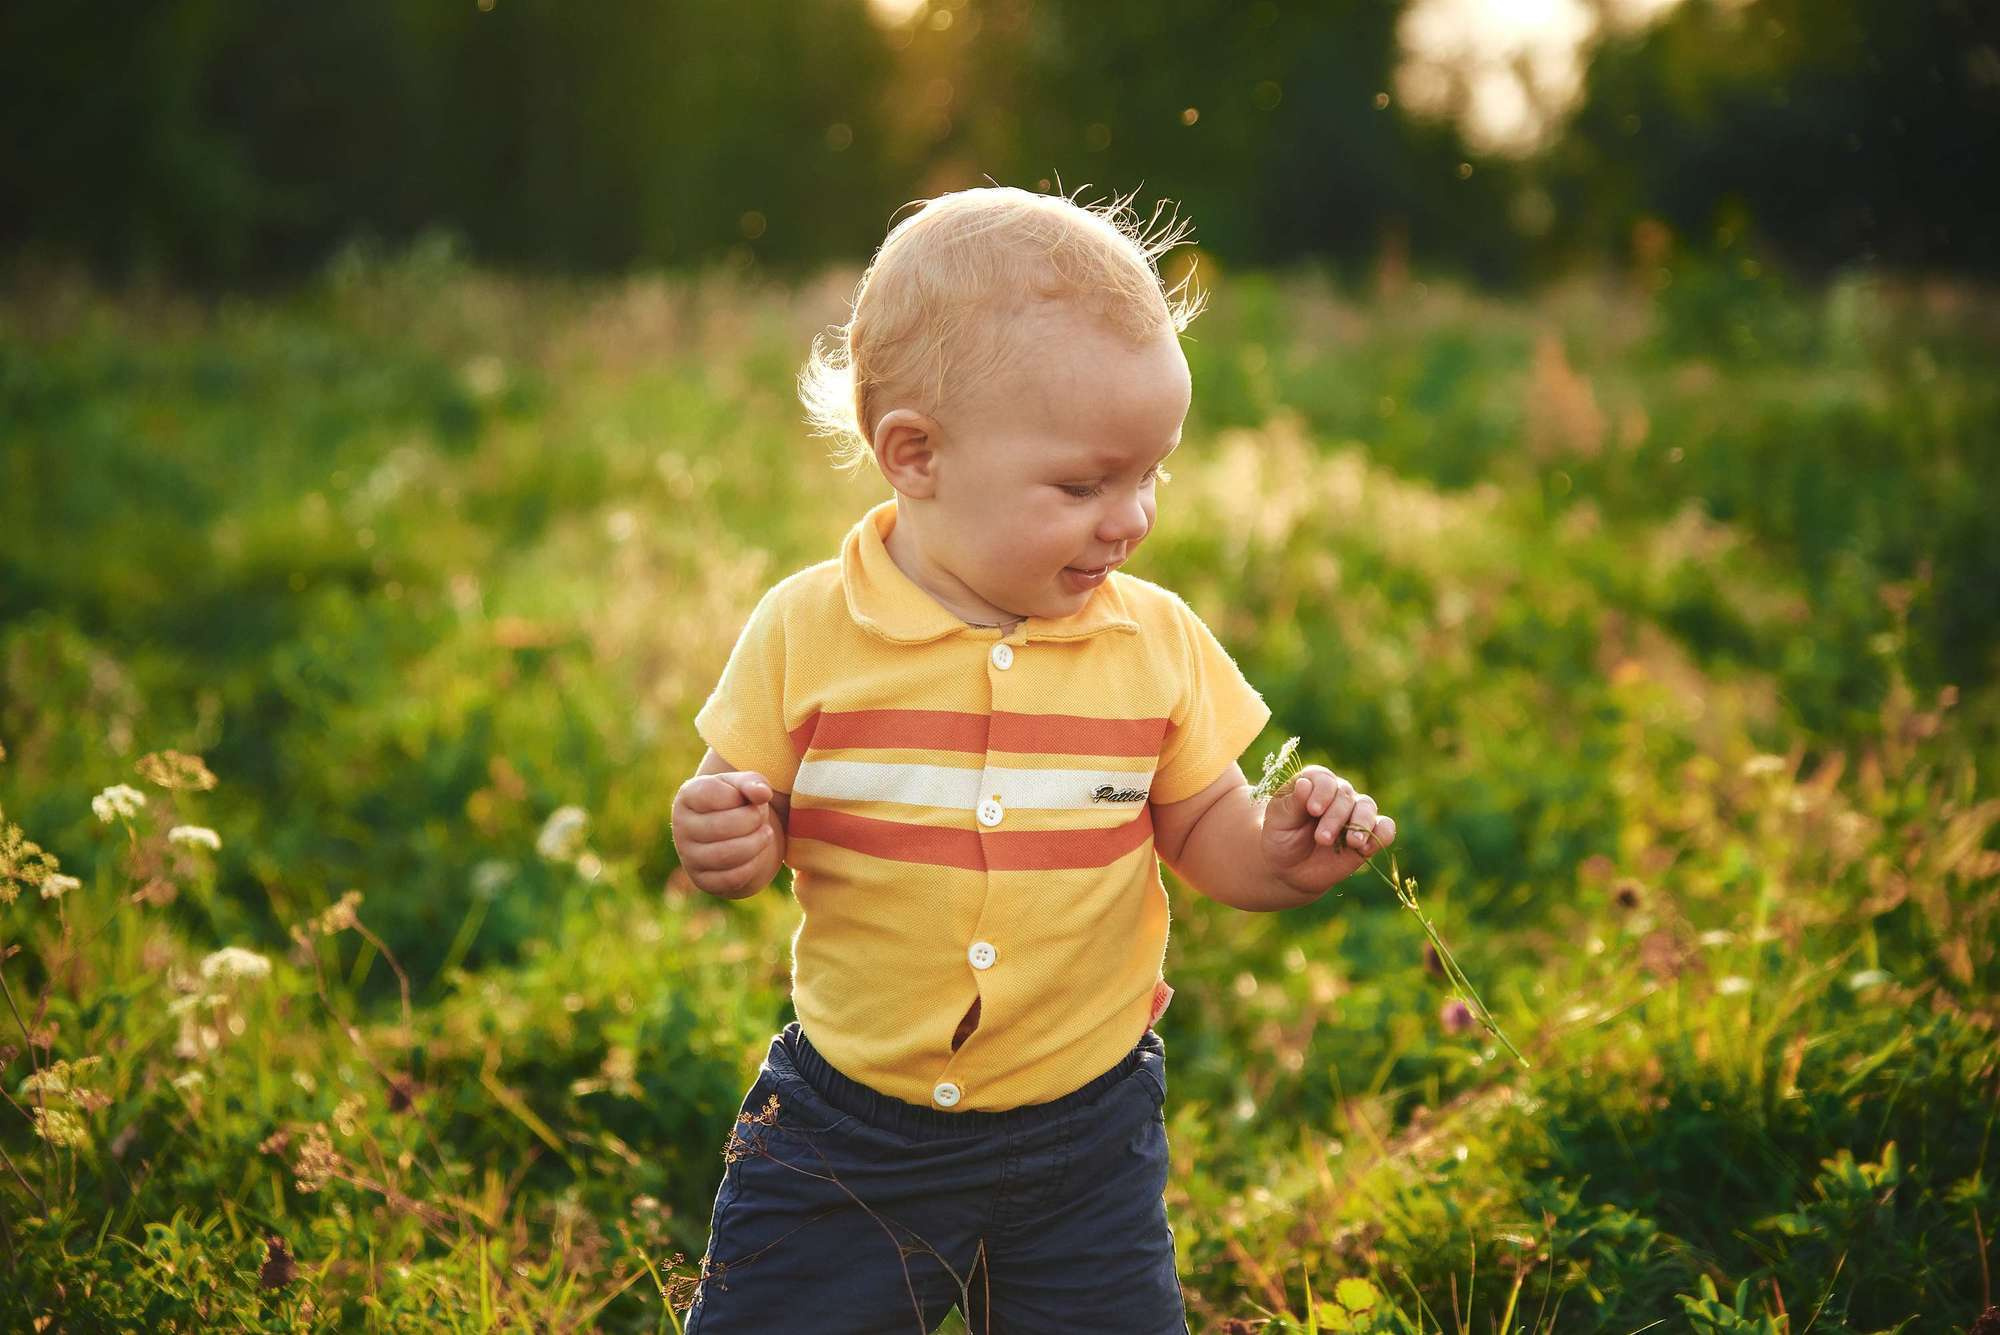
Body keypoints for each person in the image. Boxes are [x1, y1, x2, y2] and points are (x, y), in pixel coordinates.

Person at [669, 185, 1395, 1334]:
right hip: (852, 1128)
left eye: (1149, 474)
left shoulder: (1151, 643)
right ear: (914, 456)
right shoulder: (806, 633)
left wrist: (1276, 852)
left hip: (1084, 1133)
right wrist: (719, 834)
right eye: (1082, 486)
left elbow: (1204, 831)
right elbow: (728, 812)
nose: (1132, 519)